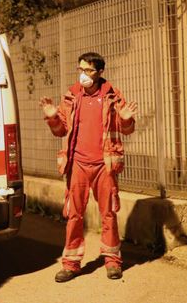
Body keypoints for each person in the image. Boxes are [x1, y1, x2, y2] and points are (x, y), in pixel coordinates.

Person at [39, 52, 138, 283]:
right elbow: (61, 130)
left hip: (105, 165)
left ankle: (112, 261)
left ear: (100, 72)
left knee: (108, 214)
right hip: (78, 165)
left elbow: (127, 129)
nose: (83, 75)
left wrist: (125, 120)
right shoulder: (72, 95)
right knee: (74, 215)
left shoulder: (112, 95)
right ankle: (71, 264)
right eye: (80, 69)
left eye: (89, 70)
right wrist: (53, 117)